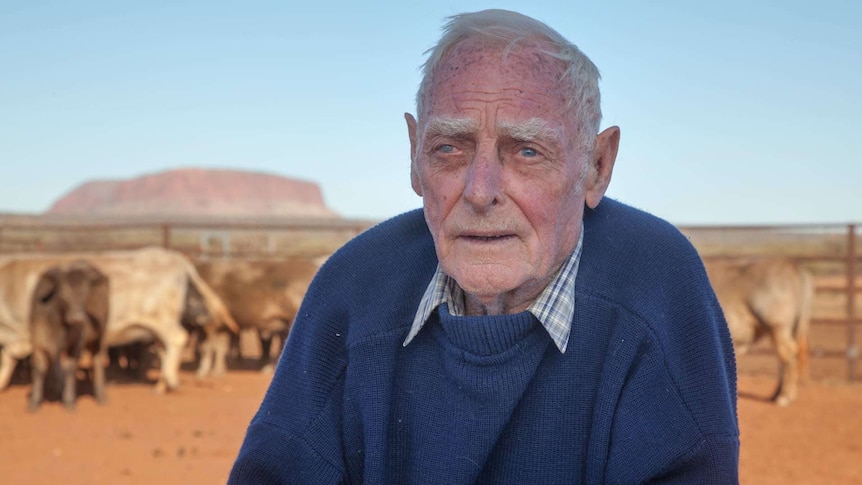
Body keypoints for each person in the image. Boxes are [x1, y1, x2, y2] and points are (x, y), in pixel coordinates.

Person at [229, 9, 739, 484]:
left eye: (528, 150)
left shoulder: (658, 288)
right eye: (449, 148)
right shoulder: (354, 287)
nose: (479, 191)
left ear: (597, 166)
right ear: (413, 157)